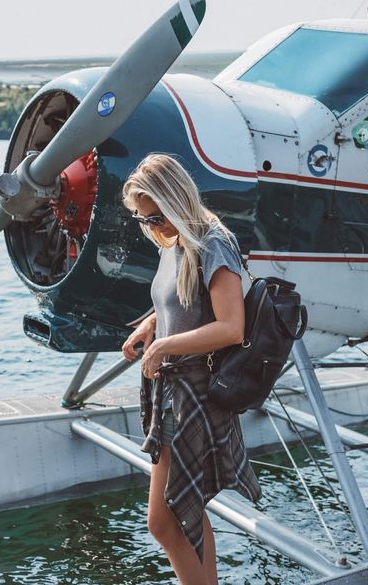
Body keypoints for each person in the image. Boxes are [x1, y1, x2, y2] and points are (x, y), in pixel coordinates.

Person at [121, 154, 261, 585]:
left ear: (177, 200)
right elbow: (179, 300)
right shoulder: (174, 241)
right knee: (185, 513)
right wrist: (148, 327)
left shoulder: (212, 243)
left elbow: (231, 327)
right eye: (143, 221)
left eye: (156, 217)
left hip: (196, 391)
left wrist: (164, 344)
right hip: (171, 391)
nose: (152, 228)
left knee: (163, 521)